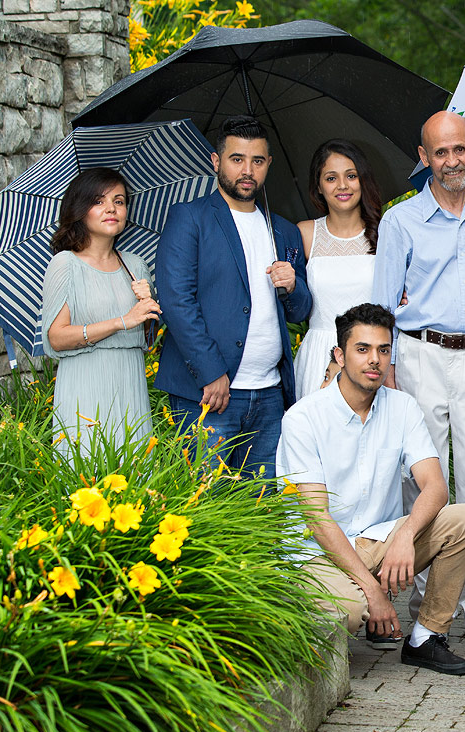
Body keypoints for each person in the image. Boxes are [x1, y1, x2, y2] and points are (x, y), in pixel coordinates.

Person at [276, 303, 465, 675]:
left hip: (378, 541)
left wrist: (405, 536)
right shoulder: (303, 419)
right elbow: (317, 518)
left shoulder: (401, 407)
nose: (374, 360)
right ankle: (321, 606)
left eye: (383, 350)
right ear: (339, 355)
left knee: (464, 520)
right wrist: (373, 593)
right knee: (351, 611)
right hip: (316, 552)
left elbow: (435, 486)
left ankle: (426, 638)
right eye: (362, 349)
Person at [373, 111, 465, 652]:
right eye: (440, 152)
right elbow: (383, 306)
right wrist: (385, 370)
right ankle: (419, 602)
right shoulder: (400, 222)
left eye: (460, 149)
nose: (451, 160)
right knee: (418, 482)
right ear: (424, 155)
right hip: (419, 356)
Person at [155, 115, 311, 477]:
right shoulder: (189, 218)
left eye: (257, 161)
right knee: (206, 503)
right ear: (216, 161)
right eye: (237, 159)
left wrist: (292, 286)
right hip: (210, 394)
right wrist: (212, 373)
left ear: (268, 165)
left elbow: (300, 311)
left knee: (263, 505)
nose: (247, 170)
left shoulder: (283, 231)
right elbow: (178, 300)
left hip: (271, 393)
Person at [41, 167, 161, 451]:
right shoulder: (65, 264)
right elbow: (56, 337)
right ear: (80, 209)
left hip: (130, 382)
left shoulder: (136, 265)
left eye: (119, 201)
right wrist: (122, 321)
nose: (111, 208)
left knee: (135, 478)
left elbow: (148, 337)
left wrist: (149, 306)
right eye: (99, 201)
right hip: (86, 384)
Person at [293, 139, 383, 400]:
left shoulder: (385, 233)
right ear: (319, 186)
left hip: (370, 356)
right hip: (319, 353)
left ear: (362, 181)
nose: (342, 186)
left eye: (351, 176)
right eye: (331, 178)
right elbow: (295, 302)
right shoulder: (305, 233)